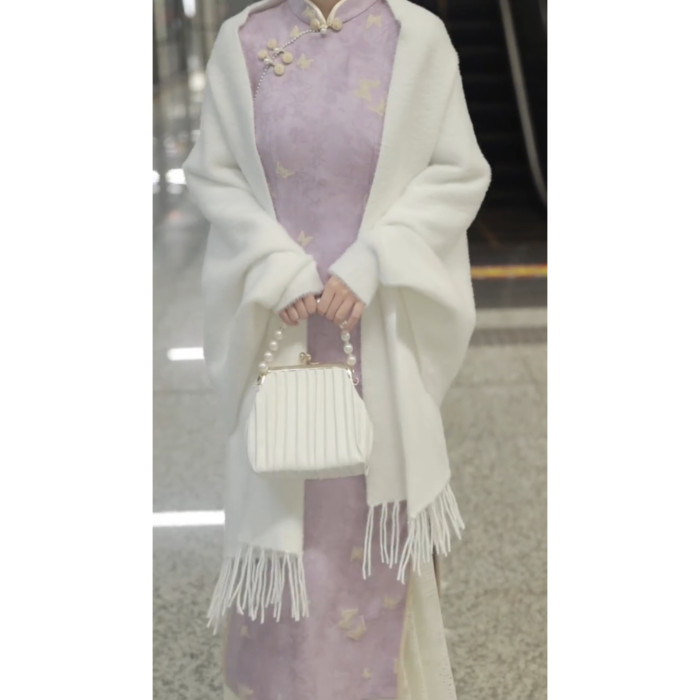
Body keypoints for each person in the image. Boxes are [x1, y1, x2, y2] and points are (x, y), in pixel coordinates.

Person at [183, 0, 491, 698]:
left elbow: (457, 171)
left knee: (373, 541)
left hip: (377, 335)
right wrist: (272, 263)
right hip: (280, 335)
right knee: (286, 526)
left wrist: (377, 257)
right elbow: (214, 174)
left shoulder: (415, 37)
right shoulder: (244, 39)